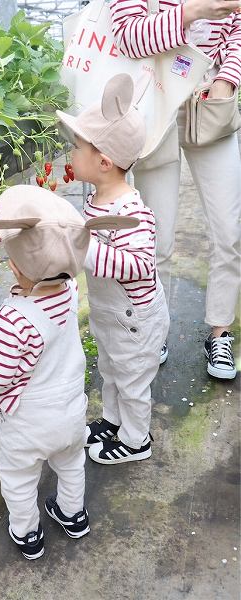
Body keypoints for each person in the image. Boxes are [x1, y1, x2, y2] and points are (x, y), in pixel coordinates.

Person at [0, 185, 129, 559]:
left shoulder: (8, 320)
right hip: (71, 411)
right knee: (71, 465)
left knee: (18, 477)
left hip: (27, 422)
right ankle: (73, 514)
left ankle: (27, 532)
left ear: (13, 265)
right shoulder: (69, 291)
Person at [110, 0, 241, 379]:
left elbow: (236, 29)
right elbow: (128, 36)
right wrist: (192, 12)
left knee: (229, 230)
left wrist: (226, 78)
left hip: (209, 102)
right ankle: (155, 326)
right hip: (155, 101)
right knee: (155, 236)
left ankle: (220, 330)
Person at [56, 73, 170, 465]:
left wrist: (84, 247)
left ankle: (137, 439)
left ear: (103, 162)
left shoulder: (133, 212)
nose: (70, 154)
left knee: (133, 381)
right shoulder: (97, 199)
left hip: (136, 321)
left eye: (77, 148)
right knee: (110, 369)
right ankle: (112, 419)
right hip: (112, 319)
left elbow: (138, 265)